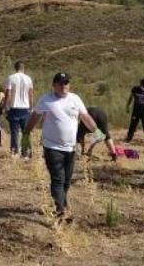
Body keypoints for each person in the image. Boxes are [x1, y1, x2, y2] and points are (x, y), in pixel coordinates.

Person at [24, 72, 98, 222]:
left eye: (66, 83)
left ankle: (61, 204)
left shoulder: (75, 99)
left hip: (70, 148)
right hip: (52, 146)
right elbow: (35, 117)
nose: (64, 86)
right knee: (58, 178)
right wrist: (26, 134)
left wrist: (97, 131)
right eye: (61, 83)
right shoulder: (46, 100)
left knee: (67, 181)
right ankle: (61, 210)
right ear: (54, 85)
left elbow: (85, 117)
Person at [4, 61, 34, 158]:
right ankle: (25, 152)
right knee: (25, 131)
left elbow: (8, 94)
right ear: (23, 68)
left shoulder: (11, 78)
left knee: (14, 131)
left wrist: (5, 106)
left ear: (15, 68)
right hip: (25, 108)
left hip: (14, 107)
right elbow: (30, 95)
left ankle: (14, 151)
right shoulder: (28, 79)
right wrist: (31, 106)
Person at [125, 78, 144, 144]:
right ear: (140, 84)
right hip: (136, 110)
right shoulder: (135, 89)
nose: (143, 87)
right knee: (133, 125)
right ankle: (129, 138)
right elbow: (131, 97)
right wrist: (128, 106)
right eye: (142, 85)